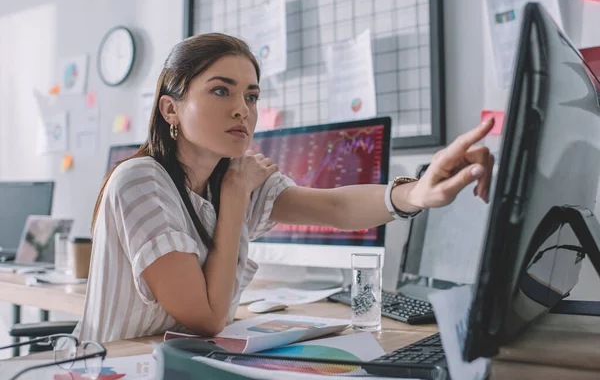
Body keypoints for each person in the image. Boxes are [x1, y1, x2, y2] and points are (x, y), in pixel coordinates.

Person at [76, 33, 495, 343]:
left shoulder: (233, 173)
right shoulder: (142, 181)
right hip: (113, 367)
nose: (242, 108)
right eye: (221, 90)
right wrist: (236, 198)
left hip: (172, 362)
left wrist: (417, 193)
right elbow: (206, 318)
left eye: (252, 96)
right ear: (171, 107)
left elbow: (334, 207)